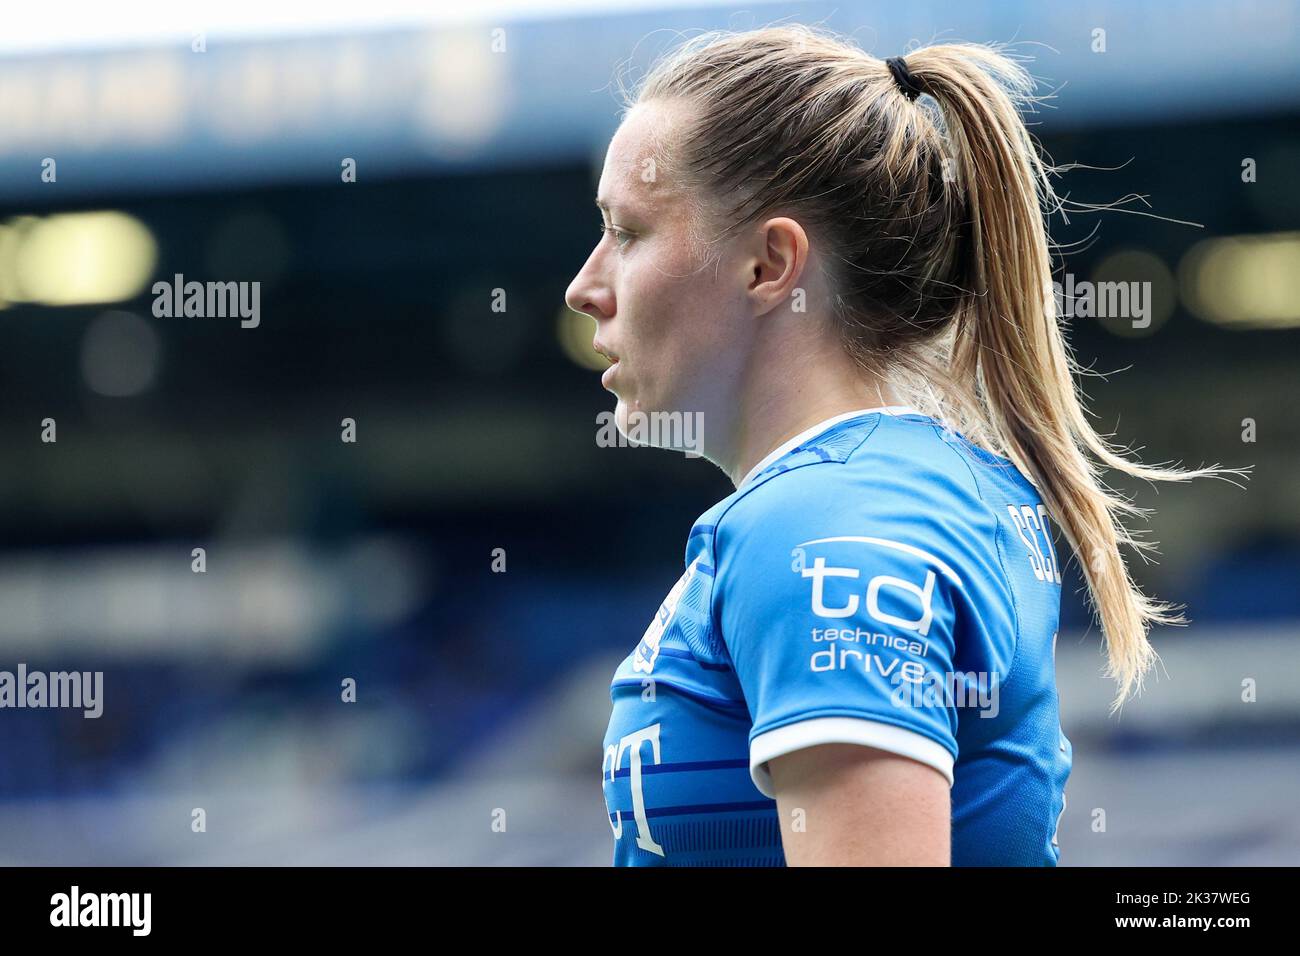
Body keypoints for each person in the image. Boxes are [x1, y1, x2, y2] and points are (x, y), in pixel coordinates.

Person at [566, 24, 1222, 866]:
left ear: (769, 265)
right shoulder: (926, 487)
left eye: (626, 233)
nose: (585, 287)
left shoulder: (821, 523)